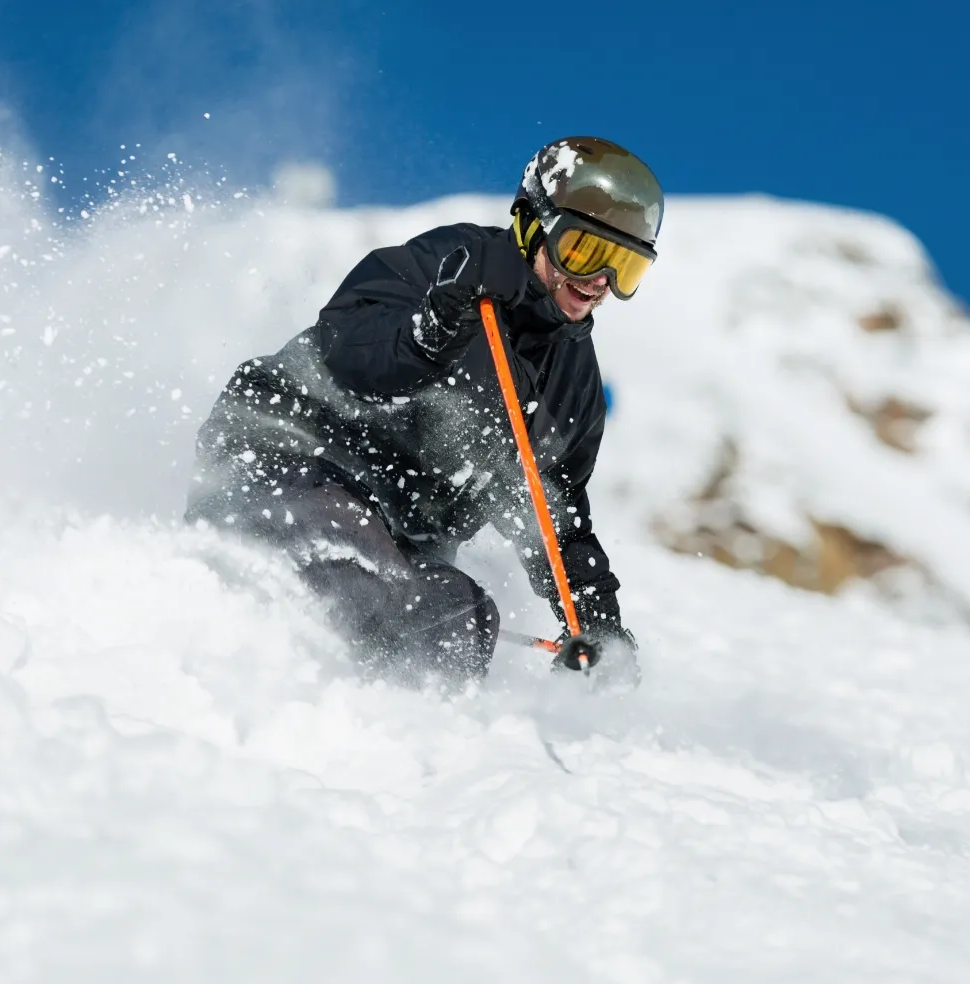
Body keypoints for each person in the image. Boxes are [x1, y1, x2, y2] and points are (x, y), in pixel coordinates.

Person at [186, 136, 663, 682]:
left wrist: (596, 623)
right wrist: (429, 336)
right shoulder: (455, 268)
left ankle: (400, 745)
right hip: (294, 460)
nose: (598, 282)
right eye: (583, 251)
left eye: (625, 267)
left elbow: (557, 522)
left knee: (460, 620)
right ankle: (238, 667)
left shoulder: (572, 384)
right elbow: (347, 350)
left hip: (399, 539)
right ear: (534, 225)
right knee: (381, 602)